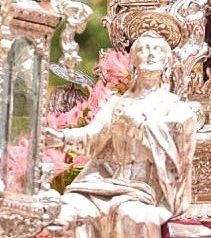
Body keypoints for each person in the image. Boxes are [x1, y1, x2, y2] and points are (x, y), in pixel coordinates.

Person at [48, 31, 203, 238]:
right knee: (67, 212)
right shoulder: (117, 103)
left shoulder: (174, 108)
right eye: (143, 49)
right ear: (133, 60)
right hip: (103, 183)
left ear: (167, 62)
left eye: (157, 50)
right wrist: (62, 138)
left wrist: (140, 124)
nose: (150, 54)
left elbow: (177, 158)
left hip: (142, 190)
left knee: (130, 216)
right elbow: (94, 137)